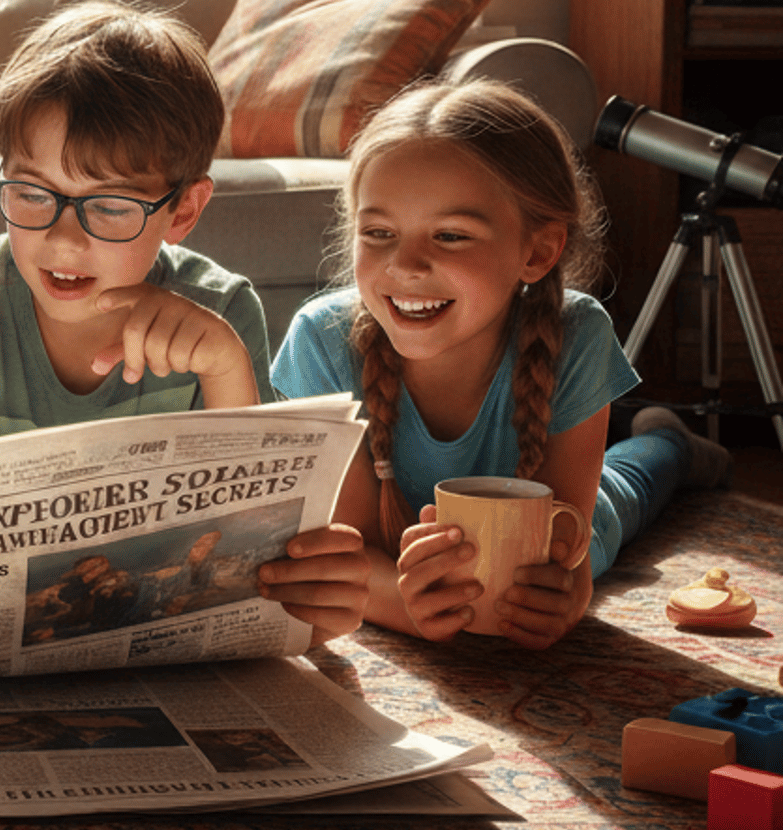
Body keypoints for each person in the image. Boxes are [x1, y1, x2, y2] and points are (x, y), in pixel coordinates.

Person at [0, 0, 368, 642]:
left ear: (184, 210)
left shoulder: (223, 312)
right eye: (32, 193)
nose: (63, 241)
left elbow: (249, 538)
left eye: (111, 206)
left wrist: (226, 364)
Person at [273, 77, 731, 650]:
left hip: (569, 522)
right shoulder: (321, 339)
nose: (407, 265)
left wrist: (569, 596)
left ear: (537, 251)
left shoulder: (577, 333)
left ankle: (672, 443)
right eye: (379, 232)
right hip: (400, 567)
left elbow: (572, 556)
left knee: (627, 491)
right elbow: (349, 550)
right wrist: (410, 608)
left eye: (450, 235)